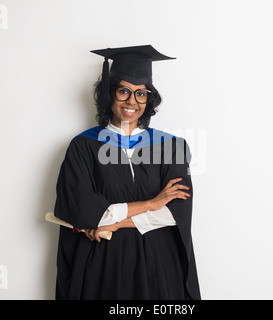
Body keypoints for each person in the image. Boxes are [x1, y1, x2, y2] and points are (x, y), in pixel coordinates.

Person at [54, 45, 200, 300]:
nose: (132, 101)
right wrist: (150, 203)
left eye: (141, 94)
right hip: (105, 263)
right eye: (124, 91)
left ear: (149, 99)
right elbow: (82, 210)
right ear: (109, 94)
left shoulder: (172, 147)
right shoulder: (84, 146)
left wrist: (114, 221)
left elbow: (175, 214)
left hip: (160, 264)